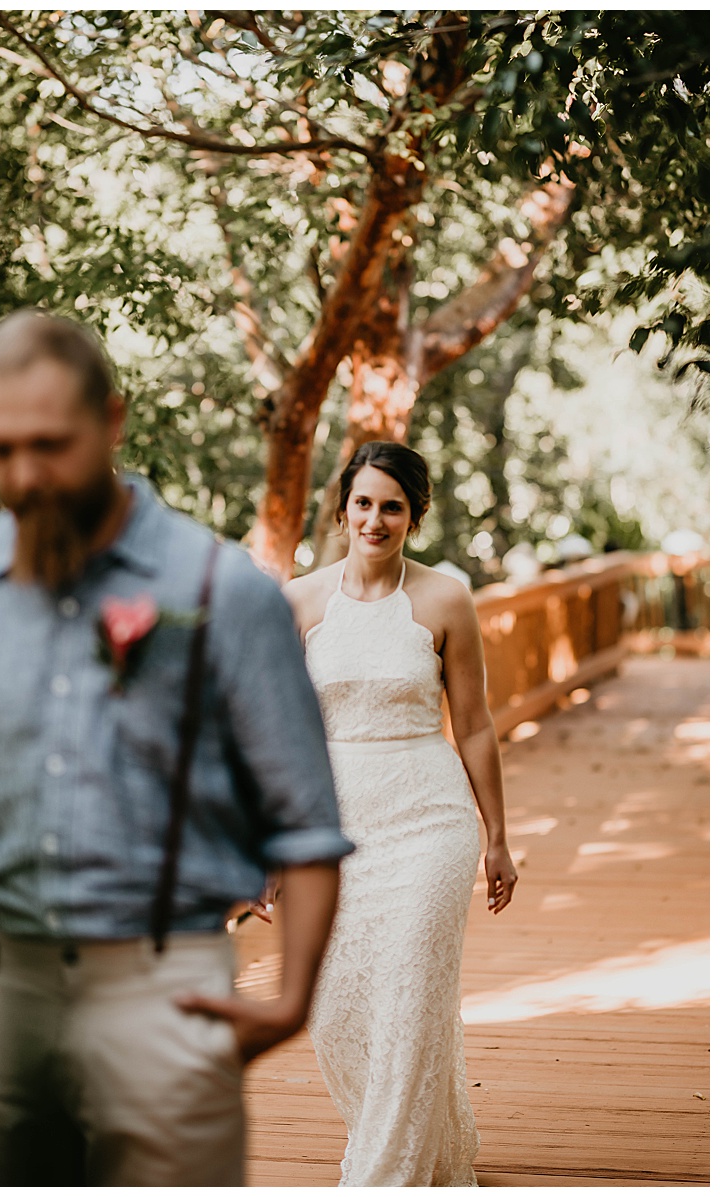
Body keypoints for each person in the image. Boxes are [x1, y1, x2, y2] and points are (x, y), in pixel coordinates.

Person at [0, 309, 354, 1186]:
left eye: (52, 443)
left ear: (112, 422)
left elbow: (305, 820)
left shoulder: (222, 592)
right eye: (1, 450)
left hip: (165, 978)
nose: (26, 475)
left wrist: (290, 1004)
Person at [283, 440, 518, 1185]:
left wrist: (498, 838)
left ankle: (385, 1173)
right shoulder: (300, 602)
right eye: (364, 503)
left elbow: (474, 723)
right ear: (343, 506)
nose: (376, 520)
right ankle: (419, 1141)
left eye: (393, 506)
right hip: (335, 823)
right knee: (336, 1005)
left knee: (412, 990)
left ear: (414, 515)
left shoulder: (446, 598)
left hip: (428, 819)